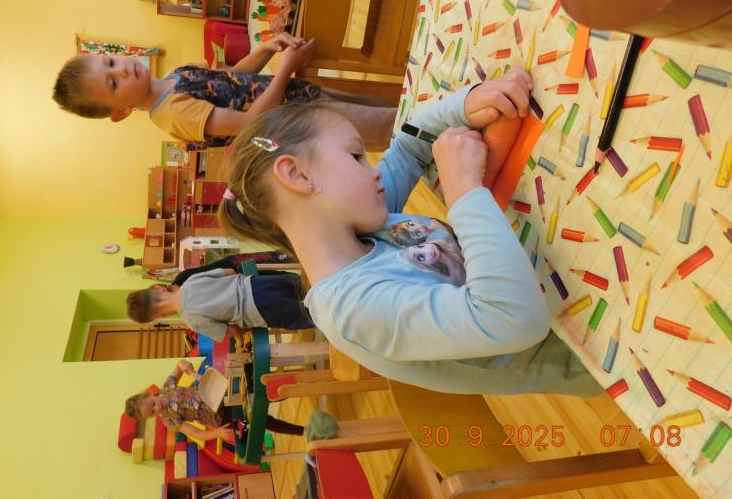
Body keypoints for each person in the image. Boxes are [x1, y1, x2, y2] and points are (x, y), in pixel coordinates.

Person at [217, 67, 603, 397]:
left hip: (563, 278)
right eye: (355, 156)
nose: (372, 171)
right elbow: (512, 318)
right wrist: (464, 190)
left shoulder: (358, 224)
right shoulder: (352, 309)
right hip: (593, 348)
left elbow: (408, 146)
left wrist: (467, 104)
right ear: (298, 175)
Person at [52, 33, 397, 150]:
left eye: (111, 61)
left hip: (302, 95)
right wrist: (285, 68)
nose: (123, 69)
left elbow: (233, 78)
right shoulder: (172, 114)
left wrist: (265, 50)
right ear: (121, 112)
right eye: (113, 83)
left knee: (386, 107)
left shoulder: (176, 74)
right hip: (304, 123)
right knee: (393, 128)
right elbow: (251, 122)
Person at [124, 359, 305, 443]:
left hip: (220, 394)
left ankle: (298, 384)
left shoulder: (167, 387)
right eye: (153, 413)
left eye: (153, 404)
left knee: (260, 392)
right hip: (221, 418)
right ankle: (303, 431)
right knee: (261, 421)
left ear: (150, 395)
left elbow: (179, 365)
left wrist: (185, 364)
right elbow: (196, 432)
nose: (157, 408)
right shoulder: (169, 420)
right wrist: (216, 433)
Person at [126, 265, 314, 342]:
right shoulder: (190, 281)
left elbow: (231, 331)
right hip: (256, 284)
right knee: (309, 284)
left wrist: (244, 327)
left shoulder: (192, 320)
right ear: (159, 289)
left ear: (157, 317)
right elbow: (229, 272)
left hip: (258, 310)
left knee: (312, 315)